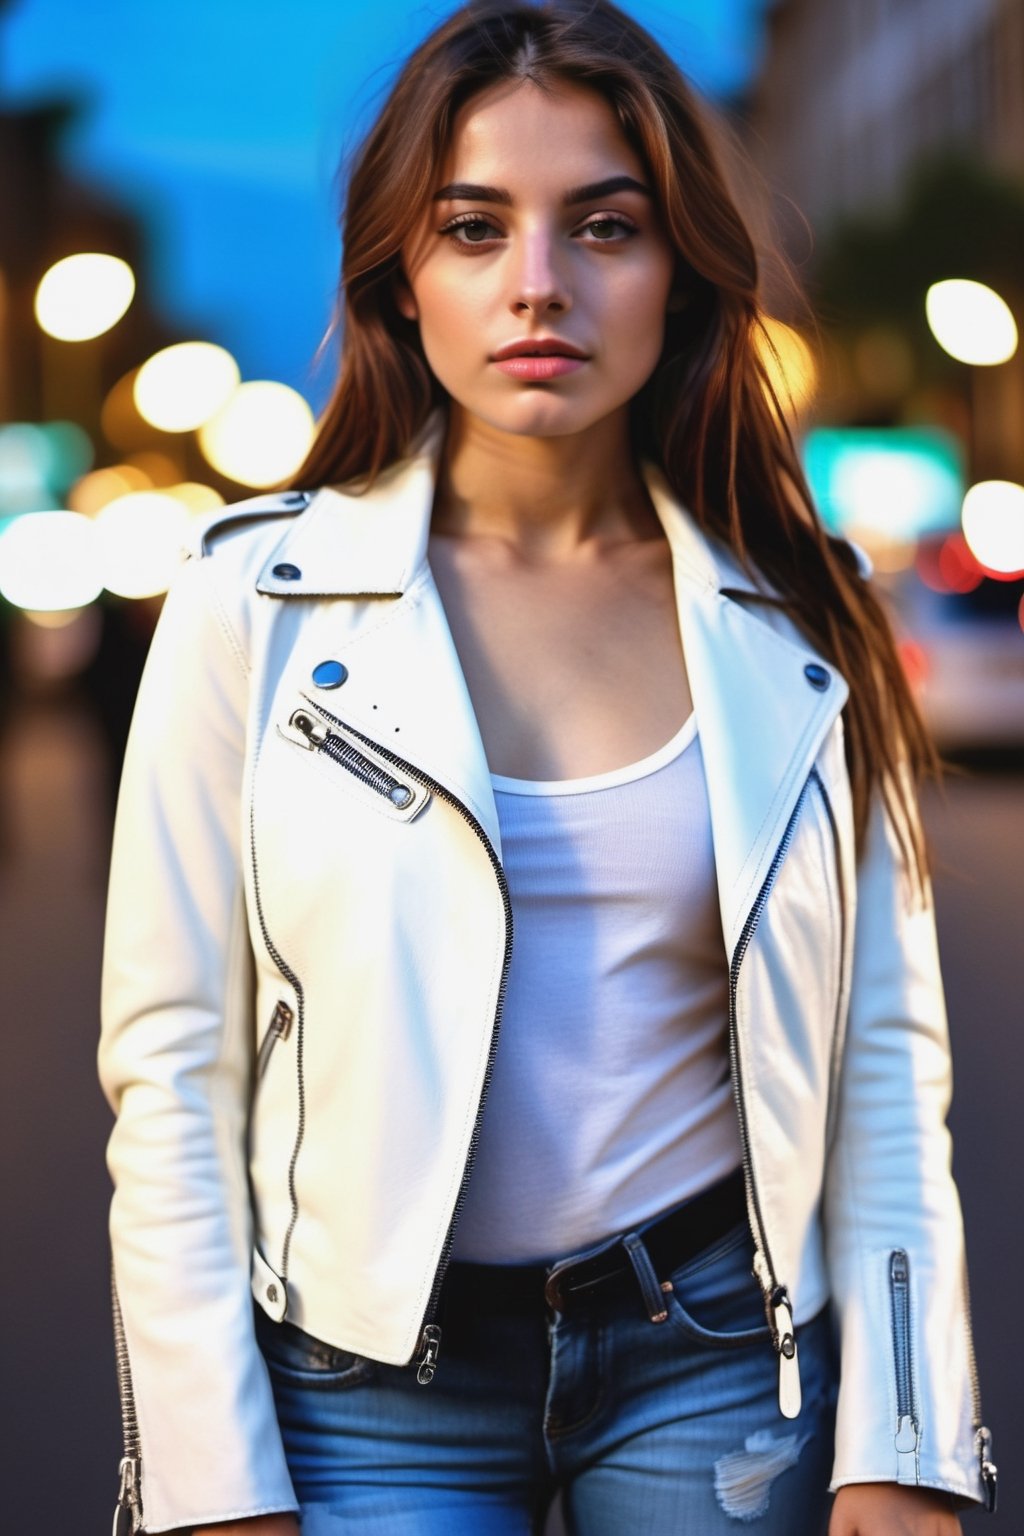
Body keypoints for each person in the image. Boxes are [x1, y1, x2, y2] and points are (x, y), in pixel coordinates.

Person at [98, 2, 997, 1533]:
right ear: (402, 273)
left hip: (714, 1356)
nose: (539, 285)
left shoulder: (804, 614)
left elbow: (884, 1074)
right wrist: (205, 1479)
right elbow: (173, 1080)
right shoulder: (251, 607)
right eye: (473, 227)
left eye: (604, 226)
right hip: (365, 1385)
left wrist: (902, 1440)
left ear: (678, 269)